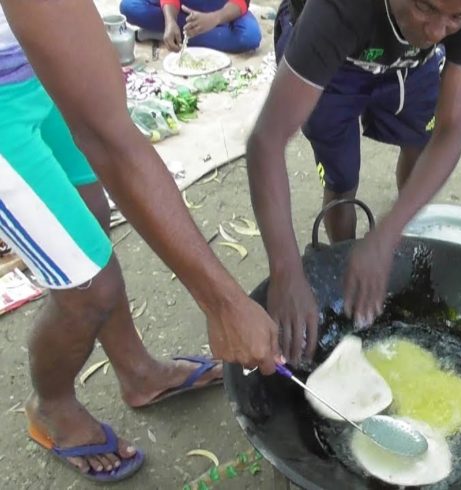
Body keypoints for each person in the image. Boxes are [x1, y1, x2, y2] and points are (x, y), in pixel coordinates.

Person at [0, 0, 282, 482]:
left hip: (34, 66)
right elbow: (113, 144)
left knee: (90, 221)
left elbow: (109, 129)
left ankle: (139, 373)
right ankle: (52, 406)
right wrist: (223, 304)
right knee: (89, 286)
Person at [247, 0, 461, 360]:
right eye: (425, 7)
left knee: (419, 142)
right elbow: (266, 140)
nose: (437, 32)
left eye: (457, 18)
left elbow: (452, 129)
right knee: (341, 176)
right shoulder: (340, 9)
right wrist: (285, 270)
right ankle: (341, 264)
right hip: (339, 63)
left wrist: (387, 234)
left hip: (412, 64)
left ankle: (379, 253)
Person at [120, 0, 261, 54]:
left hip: (223, 10)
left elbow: (242, 1)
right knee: (129, 6)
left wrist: (214, 18)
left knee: (250, 37)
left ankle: (160, 33)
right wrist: (170, 21)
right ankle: (175, 30)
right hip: (184, 7)